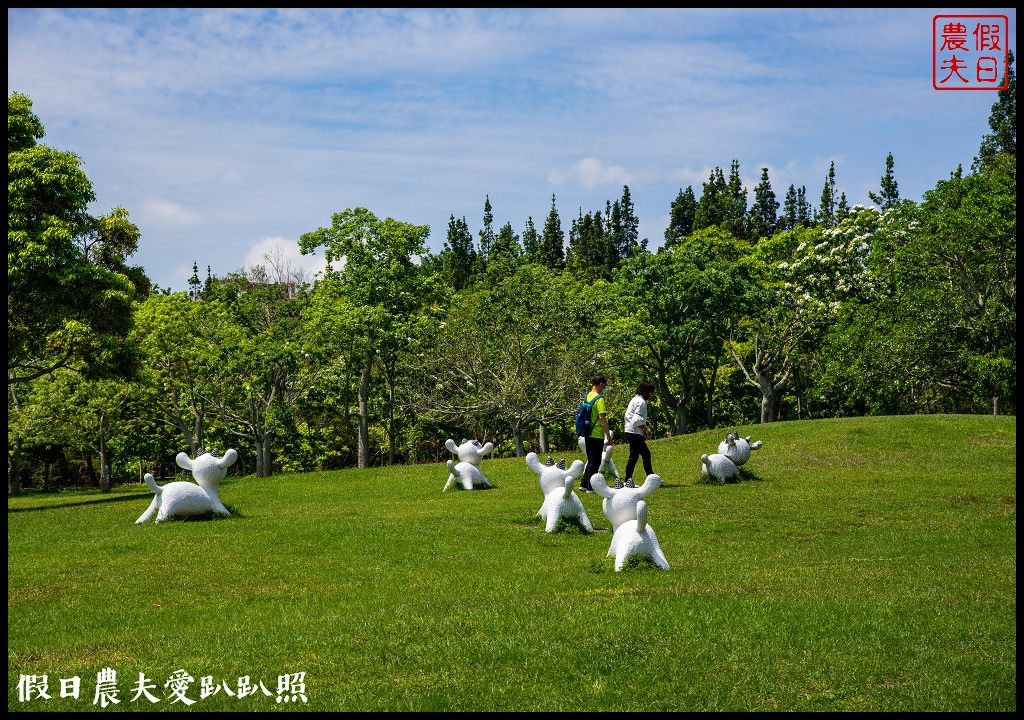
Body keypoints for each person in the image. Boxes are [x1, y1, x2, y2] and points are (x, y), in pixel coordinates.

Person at [580, 374, 613, 493]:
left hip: (587, 432)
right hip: (597, 433)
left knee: (590, 459)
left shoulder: (587, 396)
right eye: (605, 385)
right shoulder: (599, 399)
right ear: (600, 384)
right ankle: (591, 486)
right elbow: (602, 417)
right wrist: (608, 435)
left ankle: (584, 483)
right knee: (596, 461)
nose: (605, 387)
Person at [622, 380, 655, 489]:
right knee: (643, 454)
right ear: (647, 392)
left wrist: (643, 431)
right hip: (634, 432)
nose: (651, 395)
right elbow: (636, 420)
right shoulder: (641, 402)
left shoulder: (635, 400)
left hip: (630, 431)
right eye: (651, 392)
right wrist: (645, 429)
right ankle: (649, 478)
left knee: (636, 455)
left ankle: (630, 479)